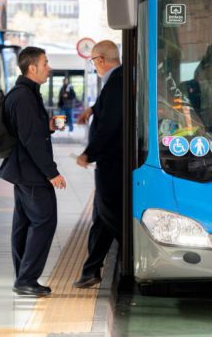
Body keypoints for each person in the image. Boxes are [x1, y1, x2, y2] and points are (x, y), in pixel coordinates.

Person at [0, 46, 66, 297]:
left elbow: (30, 132)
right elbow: (30, 140)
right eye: (46, 63)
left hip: (24, 170)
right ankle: (26, 278)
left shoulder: (25, 93)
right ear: (32, 68)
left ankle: (23, 276)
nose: (49, 67)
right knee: (45, 220)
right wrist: (52, 173)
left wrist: (47, 126)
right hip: (31, 172)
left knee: (25, 223)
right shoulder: (24, 96)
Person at [74, 40, 123, 288]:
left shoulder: (116, 81)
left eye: (93, 61)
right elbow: (110, 110)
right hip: (112, 162)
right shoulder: (119, 80)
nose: (94, 66)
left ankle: (133, 253)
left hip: (112, 163)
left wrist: (89, 153)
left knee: (110, 214)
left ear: (101, 60)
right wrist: (93, 109)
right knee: (102, 217)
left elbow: (110, 124)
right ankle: (90, 270)